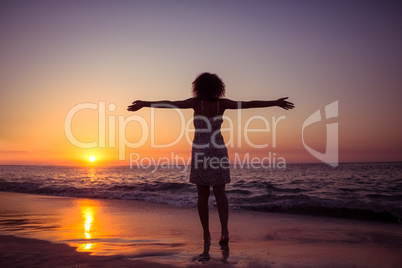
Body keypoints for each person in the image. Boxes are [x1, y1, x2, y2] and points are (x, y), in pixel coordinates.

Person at [127, 72, 294, 245]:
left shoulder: (195, 103)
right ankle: (225, 232)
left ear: (198, 87)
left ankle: (206, 234)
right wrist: (275, 102)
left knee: (202, 196)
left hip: (200, 151)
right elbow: (249, 104)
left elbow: (170, 104)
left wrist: (144, 104)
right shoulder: (222, 104)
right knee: (220, 194)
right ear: (217, 88)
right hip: (218, 150)